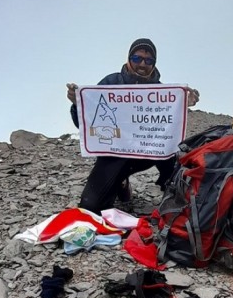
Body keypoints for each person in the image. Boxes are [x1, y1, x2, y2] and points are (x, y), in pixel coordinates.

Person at [66, 38, 200, 214]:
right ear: (129, 59)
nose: (142, 64)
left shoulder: (163, 92)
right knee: (90, 207)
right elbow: (85, 124)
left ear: (153, 64)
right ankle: (121, 181)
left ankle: (173, 194)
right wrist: (78, 105)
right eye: (137, 58)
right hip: (114, 153)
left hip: (147, 152)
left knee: (170, 150)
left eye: (148, 60)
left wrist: (183, 104)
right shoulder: (110, 82)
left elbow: (171, 127)